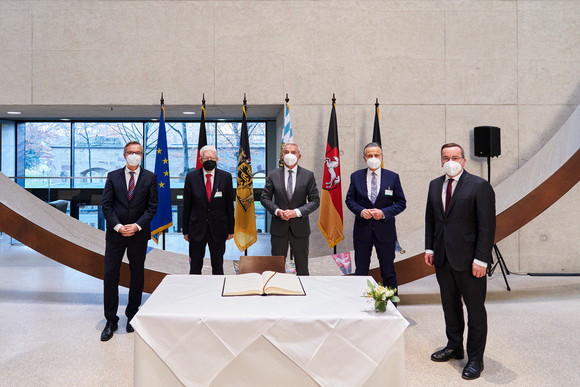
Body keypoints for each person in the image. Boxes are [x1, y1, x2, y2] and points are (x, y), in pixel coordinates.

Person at [425, 142, 496, 380]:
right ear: (441, 161)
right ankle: (455, 347)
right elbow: (431, 220)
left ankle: (476, 359)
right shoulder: (435, 185)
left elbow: (487, 227)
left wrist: (482, 260)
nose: (450, 161)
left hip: (470, 260)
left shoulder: (479, 186)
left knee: (475, 310)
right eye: (446, 157)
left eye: (455, 157)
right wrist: (429, 248)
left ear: (464, 160)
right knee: (450, 305)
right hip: (443, 257)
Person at [100, 141, 158, 341]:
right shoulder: (112, 176)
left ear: (142, 155)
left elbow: (152, 207)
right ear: (124, 155)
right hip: (116, 234)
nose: (135, 155)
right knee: (110, 275)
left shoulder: (150, 177)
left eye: (138, 153)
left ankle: (132, 314)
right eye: (131, 152)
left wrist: (136, 226)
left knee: (137, 275)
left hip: (138, 234)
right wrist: (118, 226)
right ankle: (110, 319)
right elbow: (106, 206)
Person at [345, 142, 406, 290]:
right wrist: (360, 211)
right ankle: (360, 308)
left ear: (382, 157)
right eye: (370, 155)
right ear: (364, 158)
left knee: (388, 272)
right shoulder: (356, 176)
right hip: (362, 231)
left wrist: (384, 213)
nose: (373, 158)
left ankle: (392, 308)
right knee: (361, 272)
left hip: (386, 232)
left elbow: (401, 203)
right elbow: (349, 199)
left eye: (376, 155)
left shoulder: (392, 177)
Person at [260, 142, 320, 275]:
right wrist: (277, 211)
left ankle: (304, 294)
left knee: (302, 267)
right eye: (286, 152)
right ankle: (276, 292)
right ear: (282, 155)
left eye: (293, 152)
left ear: (299, 156)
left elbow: (315, 201)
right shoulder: (273, 174)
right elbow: (264, 198)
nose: (289, 155)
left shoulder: (308, 175)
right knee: (276, 268)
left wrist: (297, 212)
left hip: (300, 229)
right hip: (278, 228)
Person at [182, 145, 234, 275]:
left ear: (217, 159)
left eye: (212, 158)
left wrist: (231, 229)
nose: (209, 160)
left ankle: (217, 294)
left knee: (218, 266)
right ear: (200, 160)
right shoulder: (191, 177)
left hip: (219, 229)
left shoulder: (226, 177)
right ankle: (194, 293)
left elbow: (229, 205)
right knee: (195, 266)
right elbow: (187, 205)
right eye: (206, 158)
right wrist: (185, 230)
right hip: (196, 229)